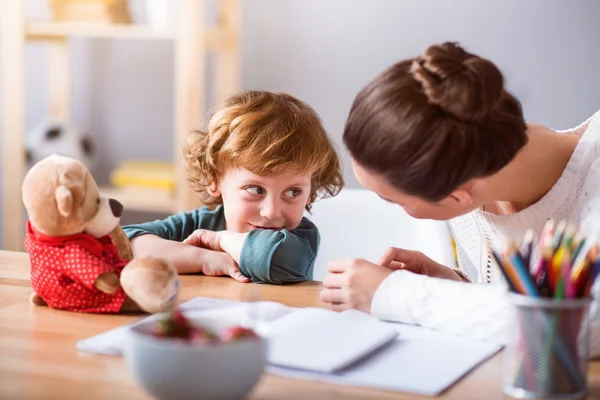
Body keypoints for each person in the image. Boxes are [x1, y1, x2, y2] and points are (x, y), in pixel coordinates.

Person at [320, 41, 600, 354]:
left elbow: (581, 324)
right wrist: (452, 285)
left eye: (395, 201)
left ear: (457, 197)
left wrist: (397, 294)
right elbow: (519, 308)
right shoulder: (469, 163)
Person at [124, 90, 344, 284]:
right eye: (256, 190)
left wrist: (220, 240)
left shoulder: (300, 238)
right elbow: (122, 244)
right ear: (214, 179)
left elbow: (275, 259)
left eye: (293, 192)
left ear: (309, 191)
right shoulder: (198, 225)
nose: (271, 212)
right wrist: (204, 259)